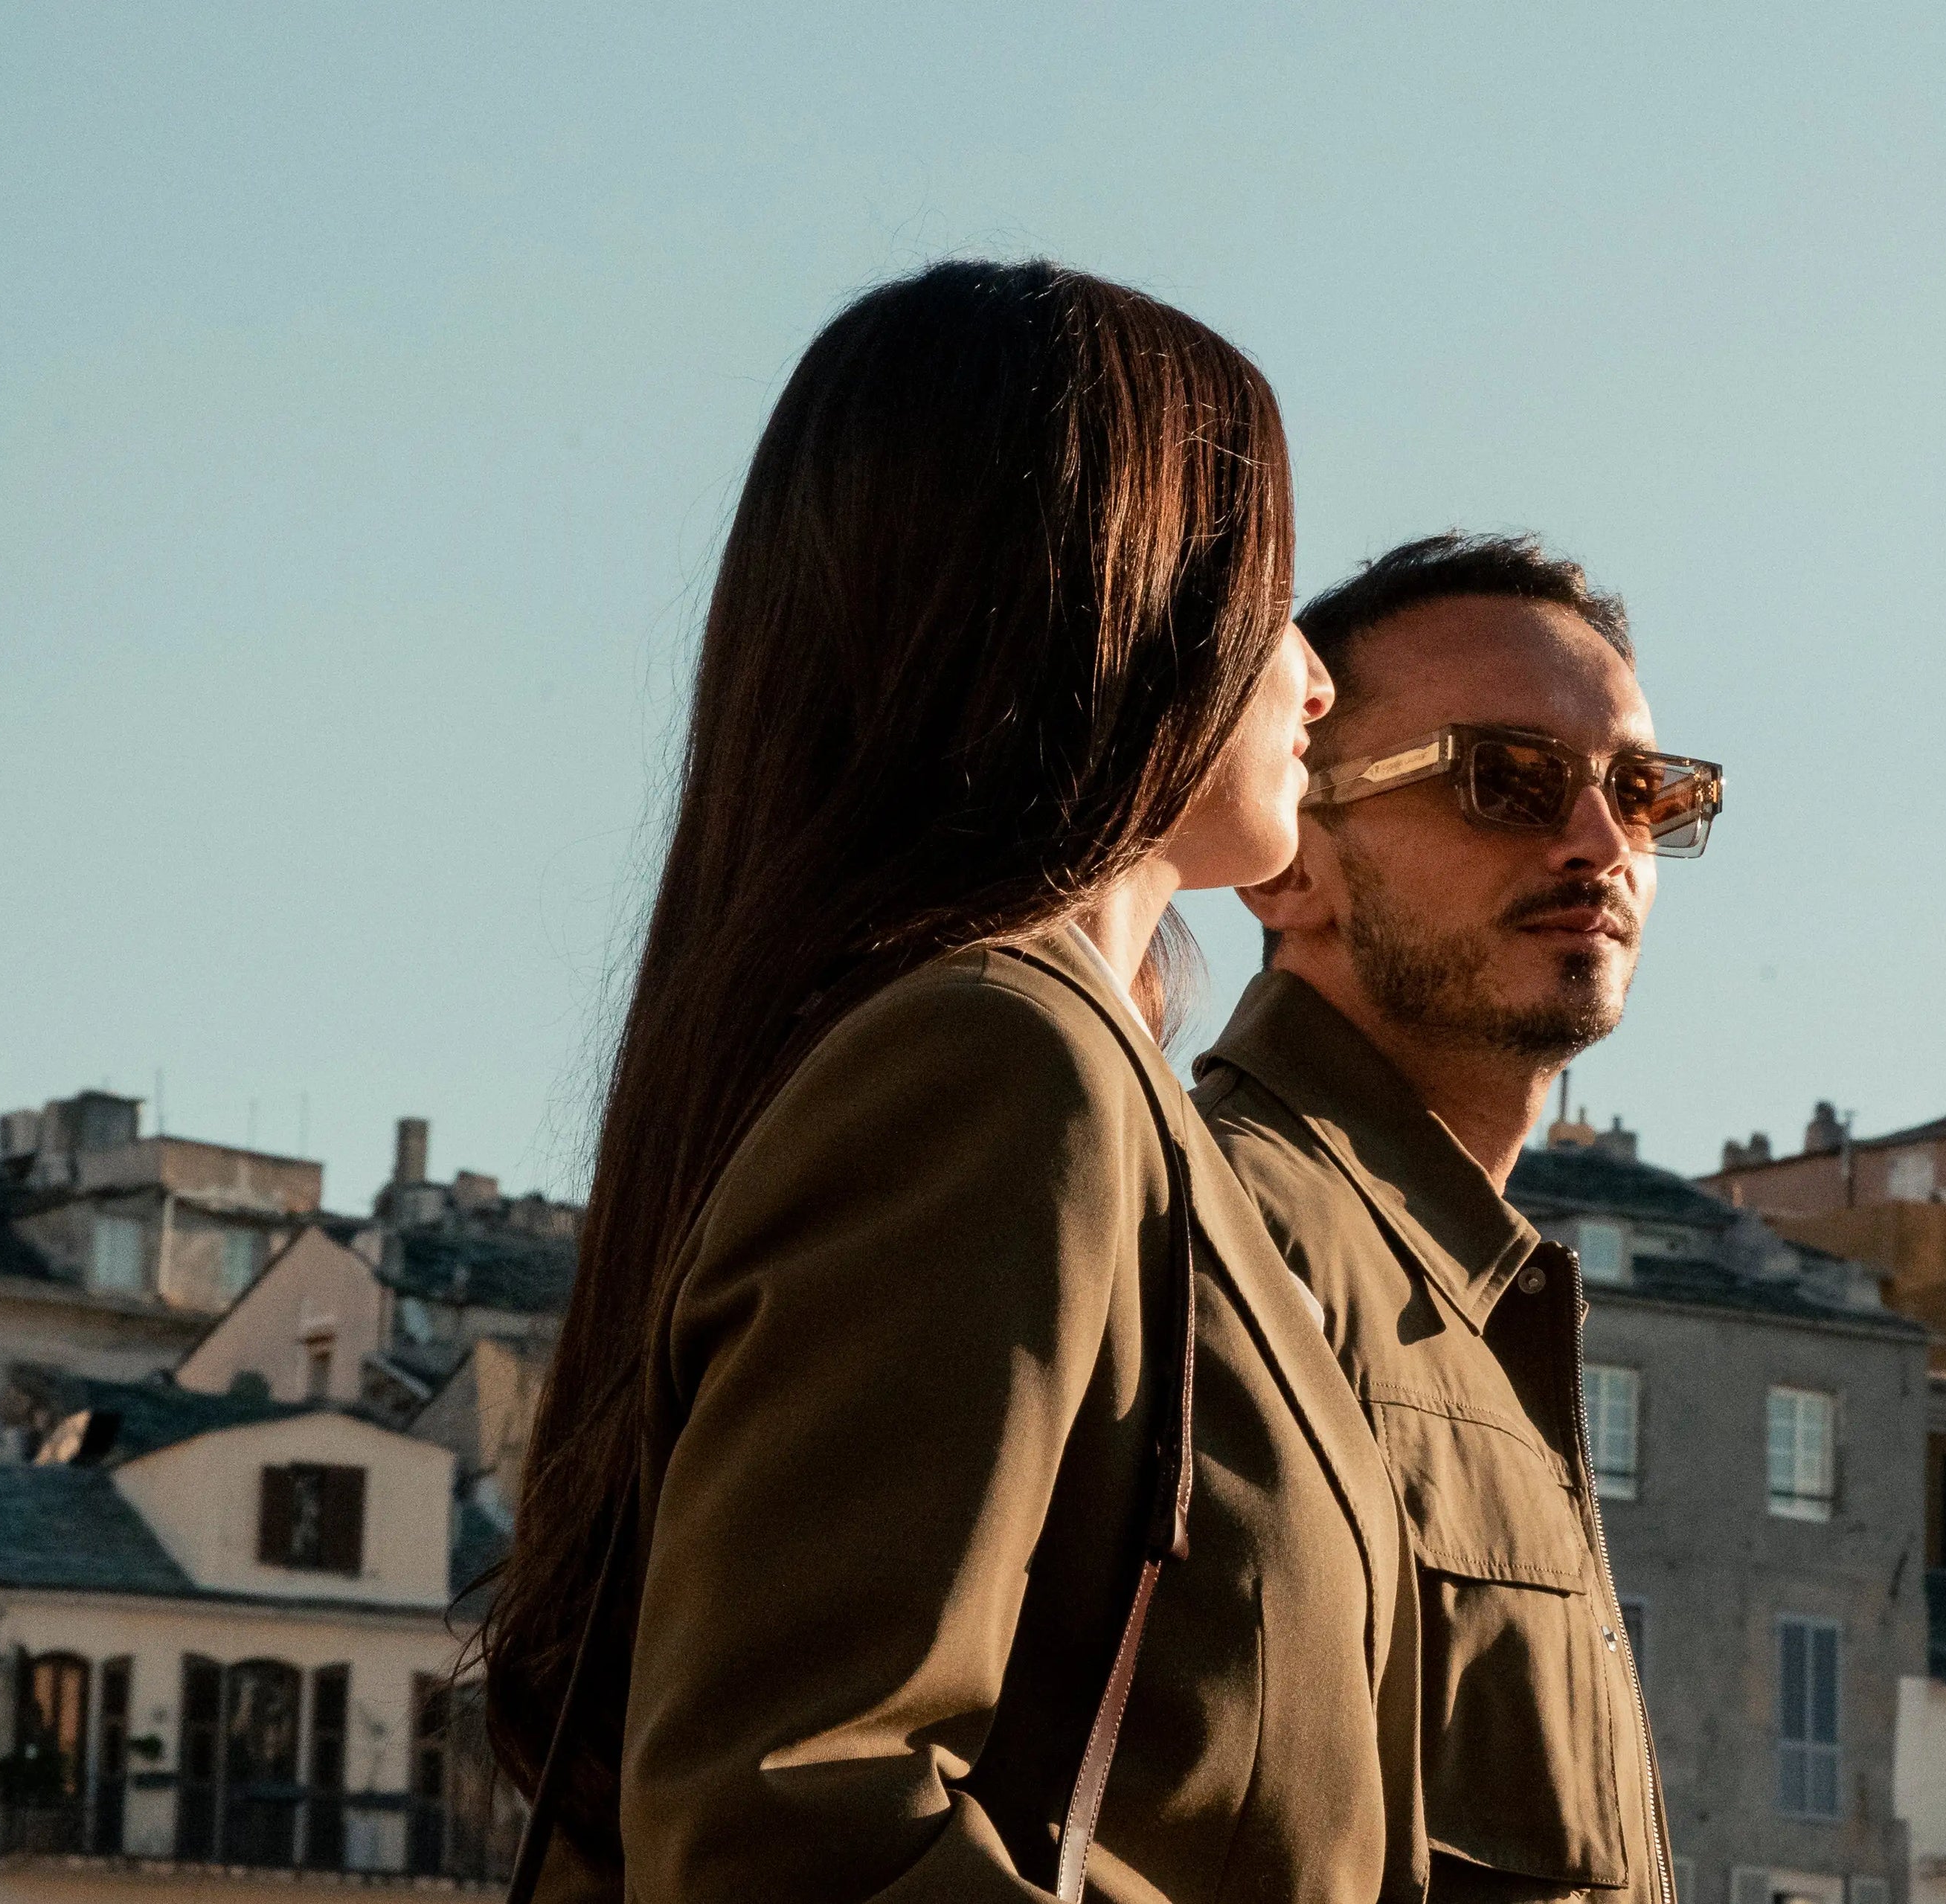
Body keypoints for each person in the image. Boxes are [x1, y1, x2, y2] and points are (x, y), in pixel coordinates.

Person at [483, 261, 1425, 1904]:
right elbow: (788, 1814)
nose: (1316, 677)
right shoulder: (1000, 1063)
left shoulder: (1043, 1072)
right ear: (1132, 599)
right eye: (1274, 594)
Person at [1192, 533, 1722, 1904]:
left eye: (1644, 793)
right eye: (1510, 780)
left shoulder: (1482, 1300)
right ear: (1287, 863)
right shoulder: (1221, 1228)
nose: (1601, 844)